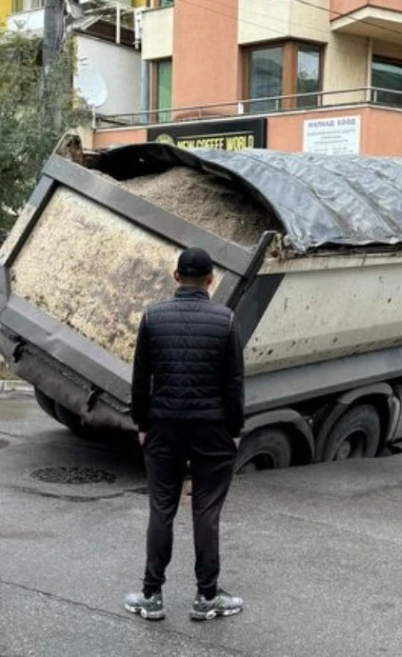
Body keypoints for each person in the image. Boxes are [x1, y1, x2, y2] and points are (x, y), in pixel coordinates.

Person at [125, 247, 245, 622]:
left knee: (161, 508)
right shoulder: (225, 320)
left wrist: (143, 425)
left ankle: (151, 595)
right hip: (212, 428)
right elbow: (234, 382)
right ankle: (206, 597)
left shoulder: (152, 318)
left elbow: (141, 379)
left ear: (176, 277)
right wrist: (235, 429)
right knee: (206, 512)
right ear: (211, 279)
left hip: (164, 425)